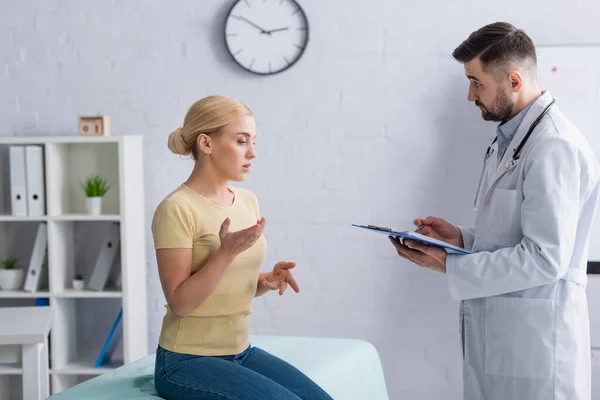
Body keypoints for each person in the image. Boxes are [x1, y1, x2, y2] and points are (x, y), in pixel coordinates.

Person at [389, 22, 599, 400]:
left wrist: (449, 264)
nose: (470, 95)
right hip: (506, 338)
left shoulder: (554, 147)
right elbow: (515, 232)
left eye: (477, 82)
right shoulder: (511, 140)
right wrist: (461, 239)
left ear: (514, 81)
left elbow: (545, 258)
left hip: (537, 349)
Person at [151, 95, 332, 400]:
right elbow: (181, 303)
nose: (252, 153)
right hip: (185, 361)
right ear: (206, 144)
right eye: (241, 141)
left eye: (253, 142)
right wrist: (226, 253)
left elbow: (225, 286)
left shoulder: (247, 201)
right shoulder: (177, 209)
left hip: (240, 352)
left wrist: (264, 281)